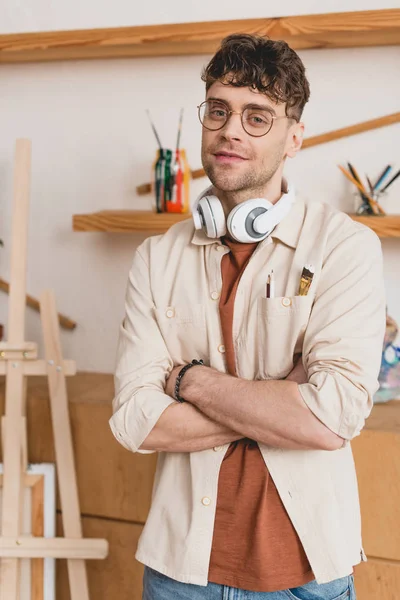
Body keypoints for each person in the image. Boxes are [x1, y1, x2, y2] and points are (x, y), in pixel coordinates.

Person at [110, 34, 386, 600]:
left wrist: (192, 382)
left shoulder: (344, 248)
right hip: (179, 573)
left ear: (294, 137)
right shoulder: (156, 258)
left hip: (308, 575)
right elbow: (138, 421)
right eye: (219, 110)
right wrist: (282, 401)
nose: (231, 130)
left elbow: (334, 416)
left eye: (257, 117)